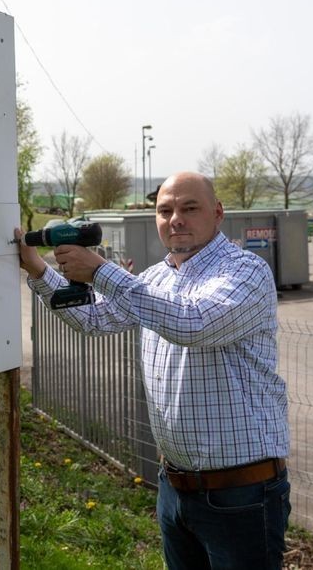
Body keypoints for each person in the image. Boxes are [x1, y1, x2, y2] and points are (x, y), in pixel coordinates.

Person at [15, 171, 290, 570]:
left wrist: (99, 272)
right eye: (165, 210)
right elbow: (93, 318)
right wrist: (39, 269)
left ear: (217, 214)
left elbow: (193, 324)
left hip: (242, 493)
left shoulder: (245, 271)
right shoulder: (157, 276)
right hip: (175, 488)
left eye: (188, 208)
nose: (175, 219)